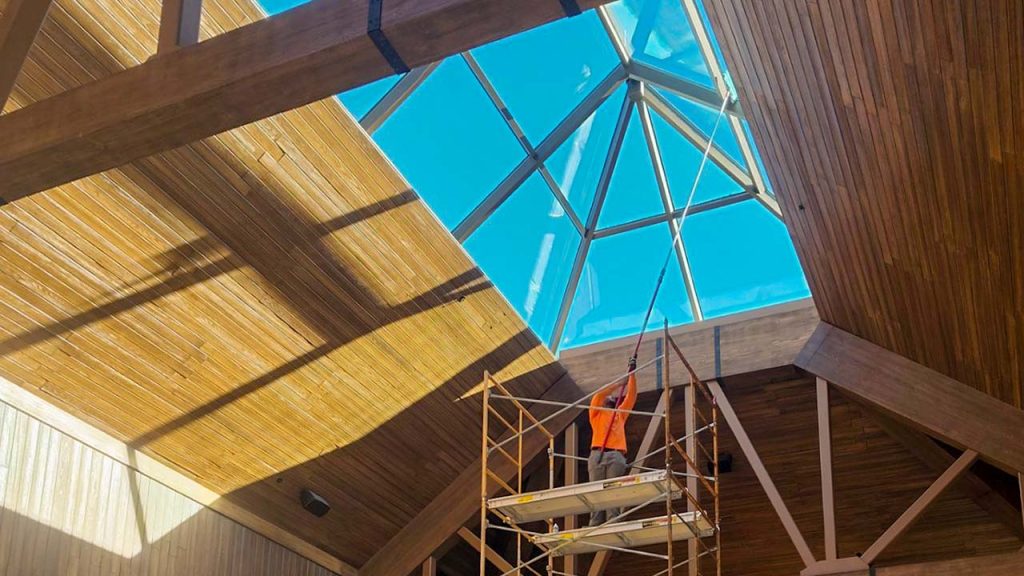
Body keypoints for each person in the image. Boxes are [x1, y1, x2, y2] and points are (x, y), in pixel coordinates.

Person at [587, 355, 638, 526]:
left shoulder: (619, 414)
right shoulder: (596, 413)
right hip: (598, 454)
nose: (610, 399)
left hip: (615, 455)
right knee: (596, 491)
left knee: (612, 490)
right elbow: (599, 395)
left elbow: (631, 396)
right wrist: (618, 384)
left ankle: (612, 521)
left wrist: (632, 374)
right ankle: (595, 523)